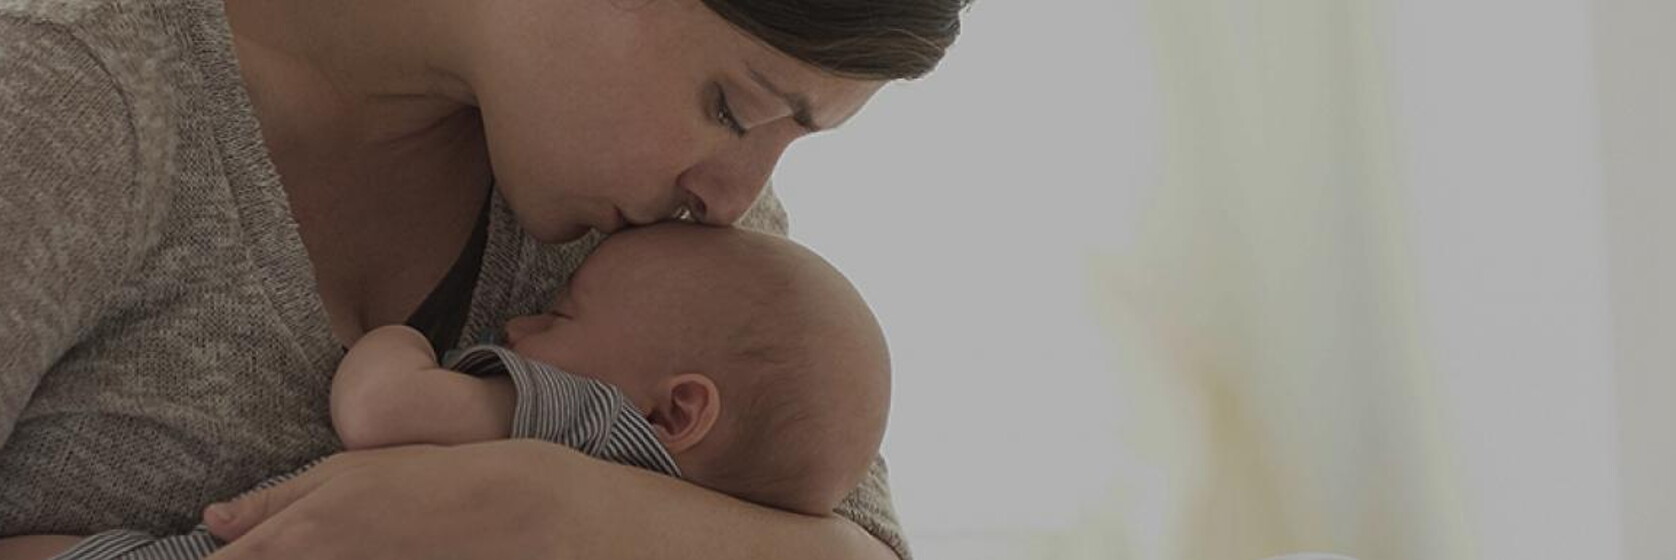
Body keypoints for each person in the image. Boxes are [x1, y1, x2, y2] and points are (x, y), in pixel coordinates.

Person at [0, 0, 966, 556]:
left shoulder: (655, 226)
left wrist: (547, 508)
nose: (730, 197)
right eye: (730, 108)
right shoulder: (72, 100)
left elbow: (854, 546)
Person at [7, 224, 892, 560]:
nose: (522, 329)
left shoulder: (589, 424)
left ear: (675, 412)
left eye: (561, 309)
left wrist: (396, 338)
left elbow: (382, 414)